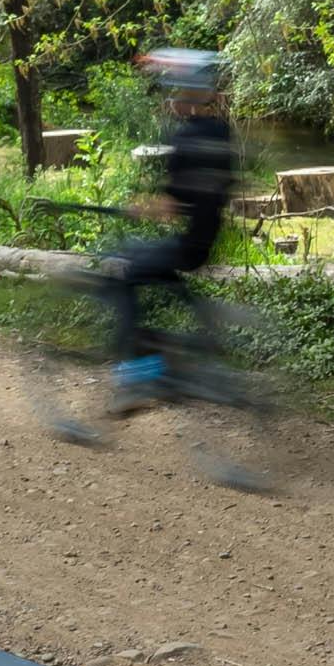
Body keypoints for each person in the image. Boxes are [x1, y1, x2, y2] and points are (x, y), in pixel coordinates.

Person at [104, 48, 237, 412]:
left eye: (174, 92)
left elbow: (171, 205)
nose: (171, 100)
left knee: (124, 270)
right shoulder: (220, 132)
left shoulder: (183, 140)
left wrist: (138, 206)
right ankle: (165, 358)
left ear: (185, 95)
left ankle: (137, 376)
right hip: (207, 240)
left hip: (186, 245)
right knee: (149, 264)